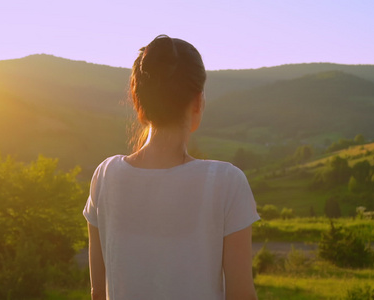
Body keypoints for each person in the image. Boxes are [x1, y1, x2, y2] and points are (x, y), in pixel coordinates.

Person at [83, 35, 260, 300]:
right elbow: (241, 295)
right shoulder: (226, 182)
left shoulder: (105, 176)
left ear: (137, 99)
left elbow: (99, 292)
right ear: (198, 101)